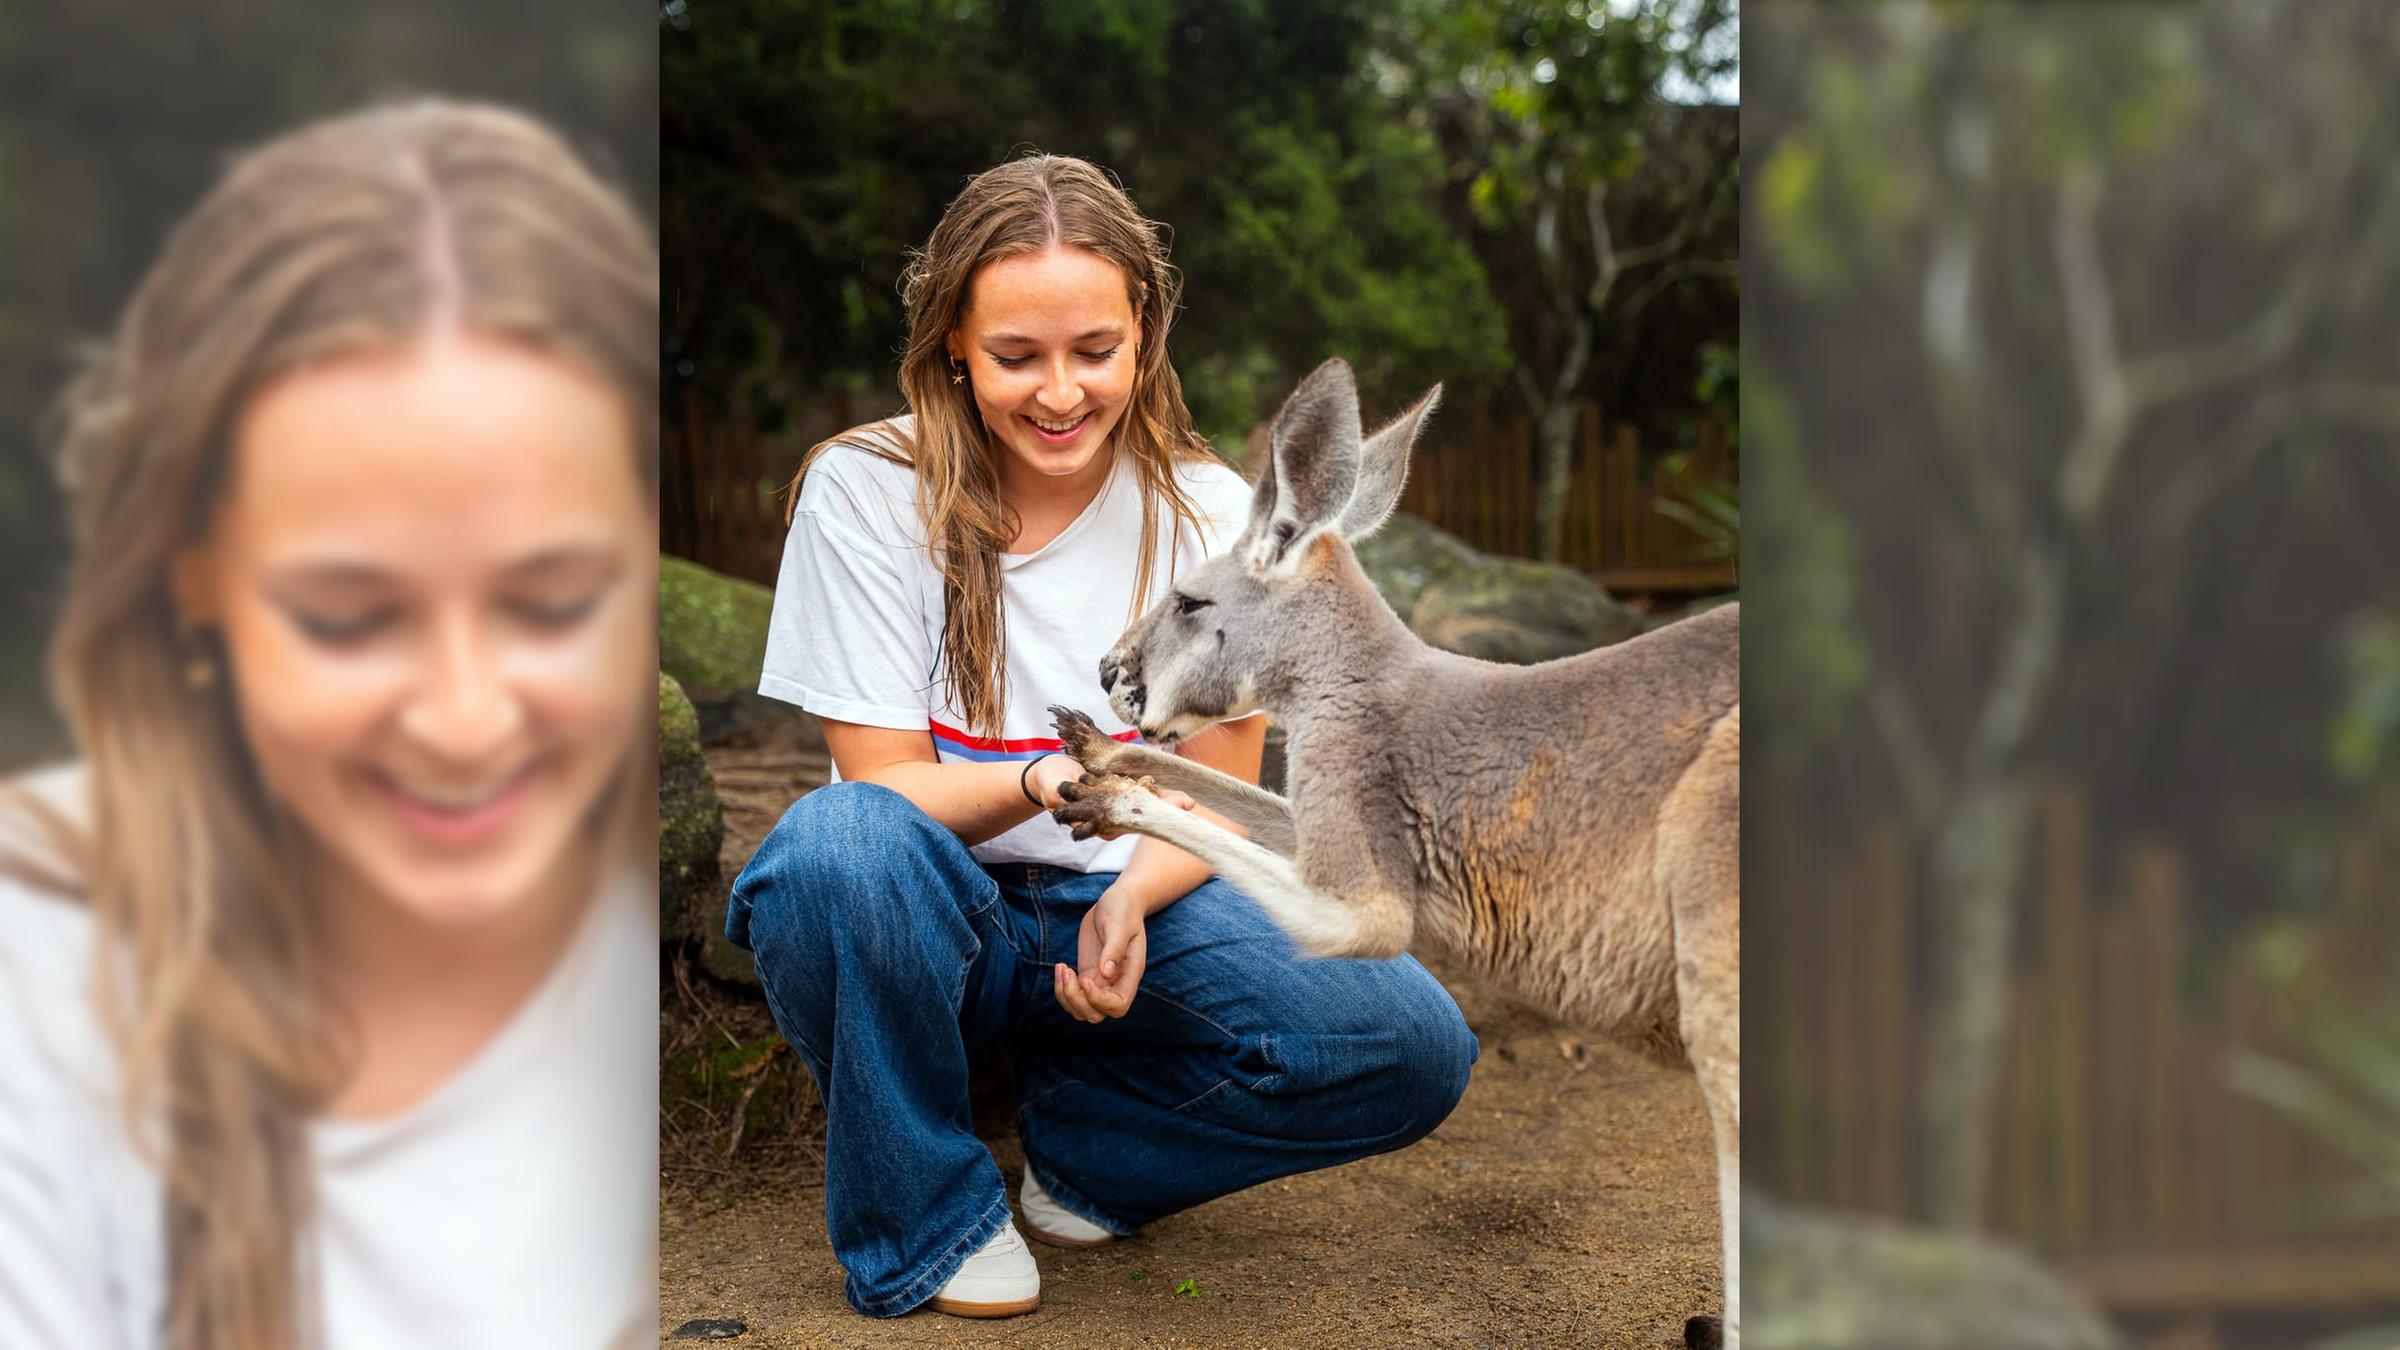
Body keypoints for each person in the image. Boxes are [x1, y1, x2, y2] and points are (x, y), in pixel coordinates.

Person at [727, 153, 1478, 1320]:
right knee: (832, 853)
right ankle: (926, 1216)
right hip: (931, 908)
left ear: (1145, 334)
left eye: (1094, 352)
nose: (1060, 393)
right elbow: (880, 792)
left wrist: (1128, 899)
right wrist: (1051, 782)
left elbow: (1214, 793)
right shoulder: (864, 491)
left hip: (1126, 911)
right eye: (1017, 357)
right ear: (953, 350)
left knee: (1409, 1042)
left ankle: (1090, 1149)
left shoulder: (1211, 512)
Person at [0, 101, 659, 1349]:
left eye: (555, 604)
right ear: (189, 570)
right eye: (347, 620)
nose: (464, 723)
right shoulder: (35, 961)